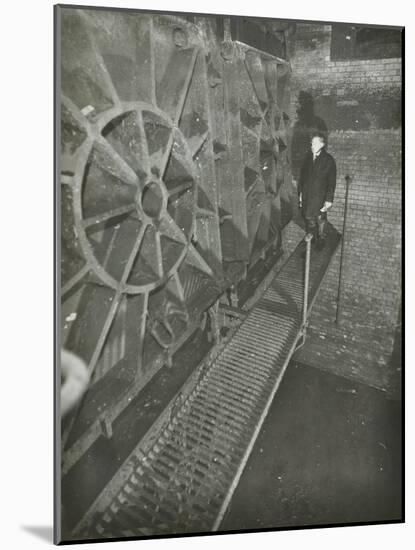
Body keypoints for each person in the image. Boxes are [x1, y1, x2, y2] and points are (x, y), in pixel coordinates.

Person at [298, 132, 336, 249]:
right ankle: (312, 239)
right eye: (311, 143)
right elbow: (302, 178)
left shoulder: (328, 160)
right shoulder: (308, 158)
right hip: (307, 197)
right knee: (309, 218)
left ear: (322, 144)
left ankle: (321, 239)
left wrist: (329, 200)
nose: (311, 146)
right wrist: (300, 194)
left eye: (314, 143)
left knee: (320, 219)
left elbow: (331, 182)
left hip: (319, 197)